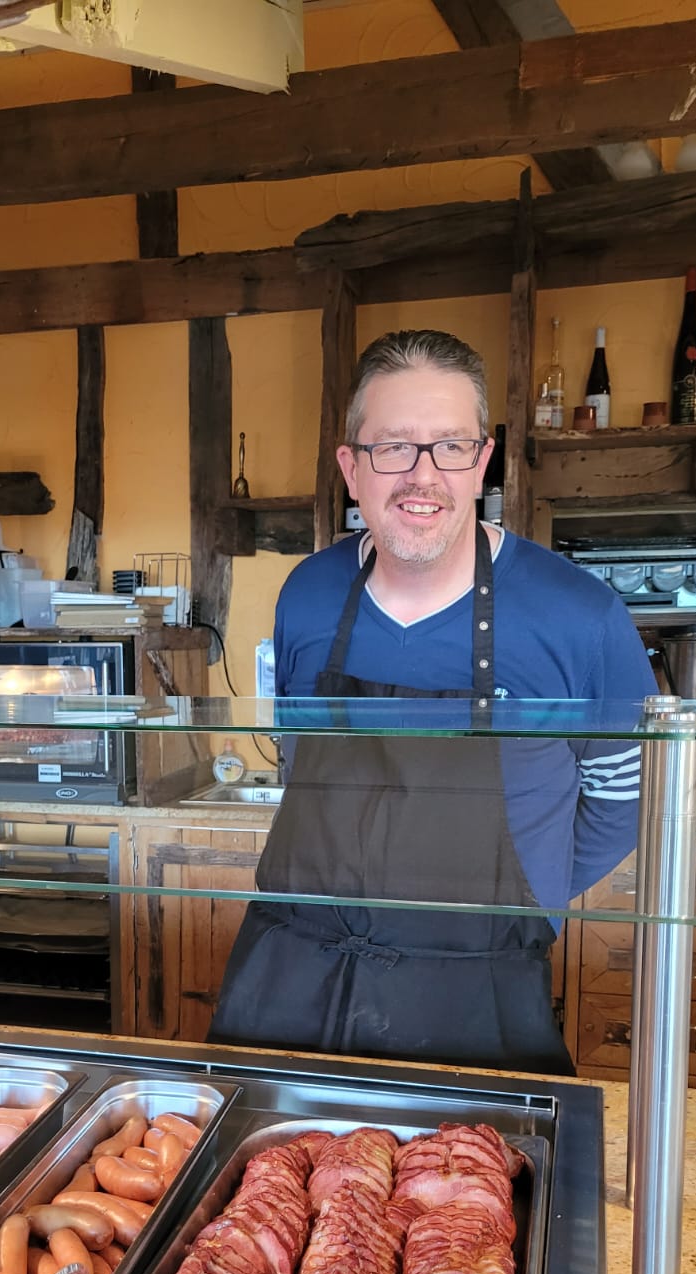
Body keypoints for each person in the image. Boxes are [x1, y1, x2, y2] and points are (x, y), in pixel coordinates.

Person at [209, 328, 658, 1074]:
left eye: (449, 446)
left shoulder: (579, 614)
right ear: (351, 468)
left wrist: (516, 903)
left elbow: (624, 796)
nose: (422, 476)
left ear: (482, 460)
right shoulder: (308, 595)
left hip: (474, 984)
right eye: (392, 448)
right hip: (292, 972)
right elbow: (296, 756)